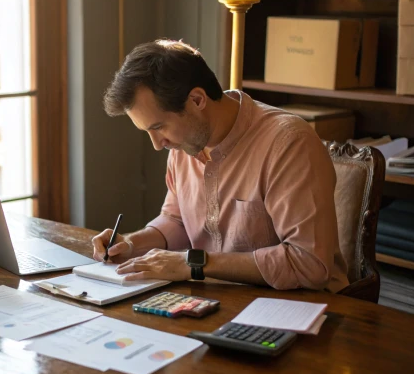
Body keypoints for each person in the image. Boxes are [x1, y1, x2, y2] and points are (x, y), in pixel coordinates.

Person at [92, 39, 348, 292]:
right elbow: (177, 221)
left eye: (158, 127)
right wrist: (131, 243)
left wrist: (194, 263)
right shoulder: (184, 143)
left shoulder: (289, 143)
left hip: (304, 308)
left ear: (197, 100)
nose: (158, 144)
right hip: (221, 298)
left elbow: (310, 265)